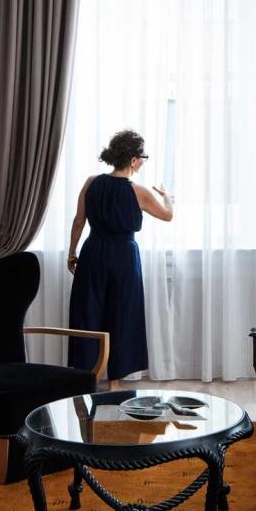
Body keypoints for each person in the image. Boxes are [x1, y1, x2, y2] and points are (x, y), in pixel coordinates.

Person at [67, 130, 173, 387]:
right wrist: (167, 197)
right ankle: (115, 381)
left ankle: (88, 377)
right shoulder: (139, 192)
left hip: (93, 252)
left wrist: (72, 252)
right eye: (143, 156)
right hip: (124, 256)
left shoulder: (91, 182)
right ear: (134, 160)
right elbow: (168, 216)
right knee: (122, 314)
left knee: (88, 313)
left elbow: (79, 220)